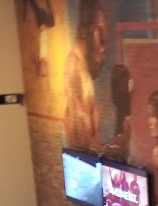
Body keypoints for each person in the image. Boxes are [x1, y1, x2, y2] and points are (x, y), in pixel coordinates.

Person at [63, 0, 108, 151]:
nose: (103, 55)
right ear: (86, 32)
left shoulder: (80, 68)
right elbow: (84, 146)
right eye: (101, 40)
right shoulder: (77, 72)